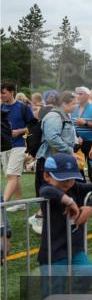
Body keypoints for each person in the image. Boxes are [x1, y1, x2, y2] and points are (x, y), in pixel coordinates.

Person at [36, 153, 92, 296]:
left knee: (87, 271)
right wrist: (69, 201)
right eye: (62, 178)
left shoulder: (76, 187)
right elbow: (46, 190)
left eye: (71, 178)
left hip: (75, 247)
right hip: (53, 251)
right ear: (47, 176)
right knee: (53, 289)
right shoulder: (47, 191)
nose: (67, 182)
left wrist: (90, 207)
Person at [29, 91, 79, 235]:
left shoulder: (62, 116)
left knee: (61, 192)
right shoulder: (54, 116)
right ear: (64, 104)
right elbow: (52, 138)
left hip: (58, 160)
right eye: (73, 103)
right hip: (50, 161)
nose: (75, 106)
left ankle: (56, 221)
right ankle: (39, 218)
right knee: (50, 193)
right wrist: (70, 150)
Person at [1, 82, 37, 210]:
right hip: (4, 147)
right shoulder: (0, 108)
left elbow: (33, 126)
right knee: (13, 175)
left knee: (11, 175)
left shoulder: (23, 107)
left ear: (11, 92)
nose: (1, 95)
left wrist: (20, 131)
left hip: (19, 146)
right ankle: (20, 202)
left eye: (3, 93)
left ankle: (2, 204)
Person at [71, 86, 92, 182]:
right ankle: (82, 189)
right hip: (77, 142)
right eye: (77, 94)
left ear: (87, 96)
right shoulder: (73, 108)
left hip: (91, 142)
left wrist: (86, 123)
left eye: (80, 94)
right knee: (78, 167)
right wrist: (76, 137)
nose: (77, 96)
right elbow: (71, 126)